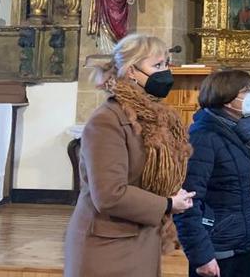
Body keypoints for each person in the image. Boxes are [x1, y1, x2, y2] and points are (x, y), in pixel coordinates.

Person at [64, 34, 194, 277]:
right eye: (157, 66)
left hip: (138, 238)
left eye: (166, 64)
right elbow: (109, 194)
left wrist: (171, 192)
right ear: (131, 71)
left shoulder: (152, 116)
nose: (165, 72)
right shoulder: (107, 120)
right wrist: (166, 204)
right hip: (108, 247)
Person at [175, 70, 250, 277]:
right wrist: (201, 255)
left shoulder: (249, 131)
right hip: (218, 246)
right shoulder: (203, 138)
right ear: (227, 99)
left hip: (246, 240)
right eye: (247, 91)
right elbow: (188, 202)